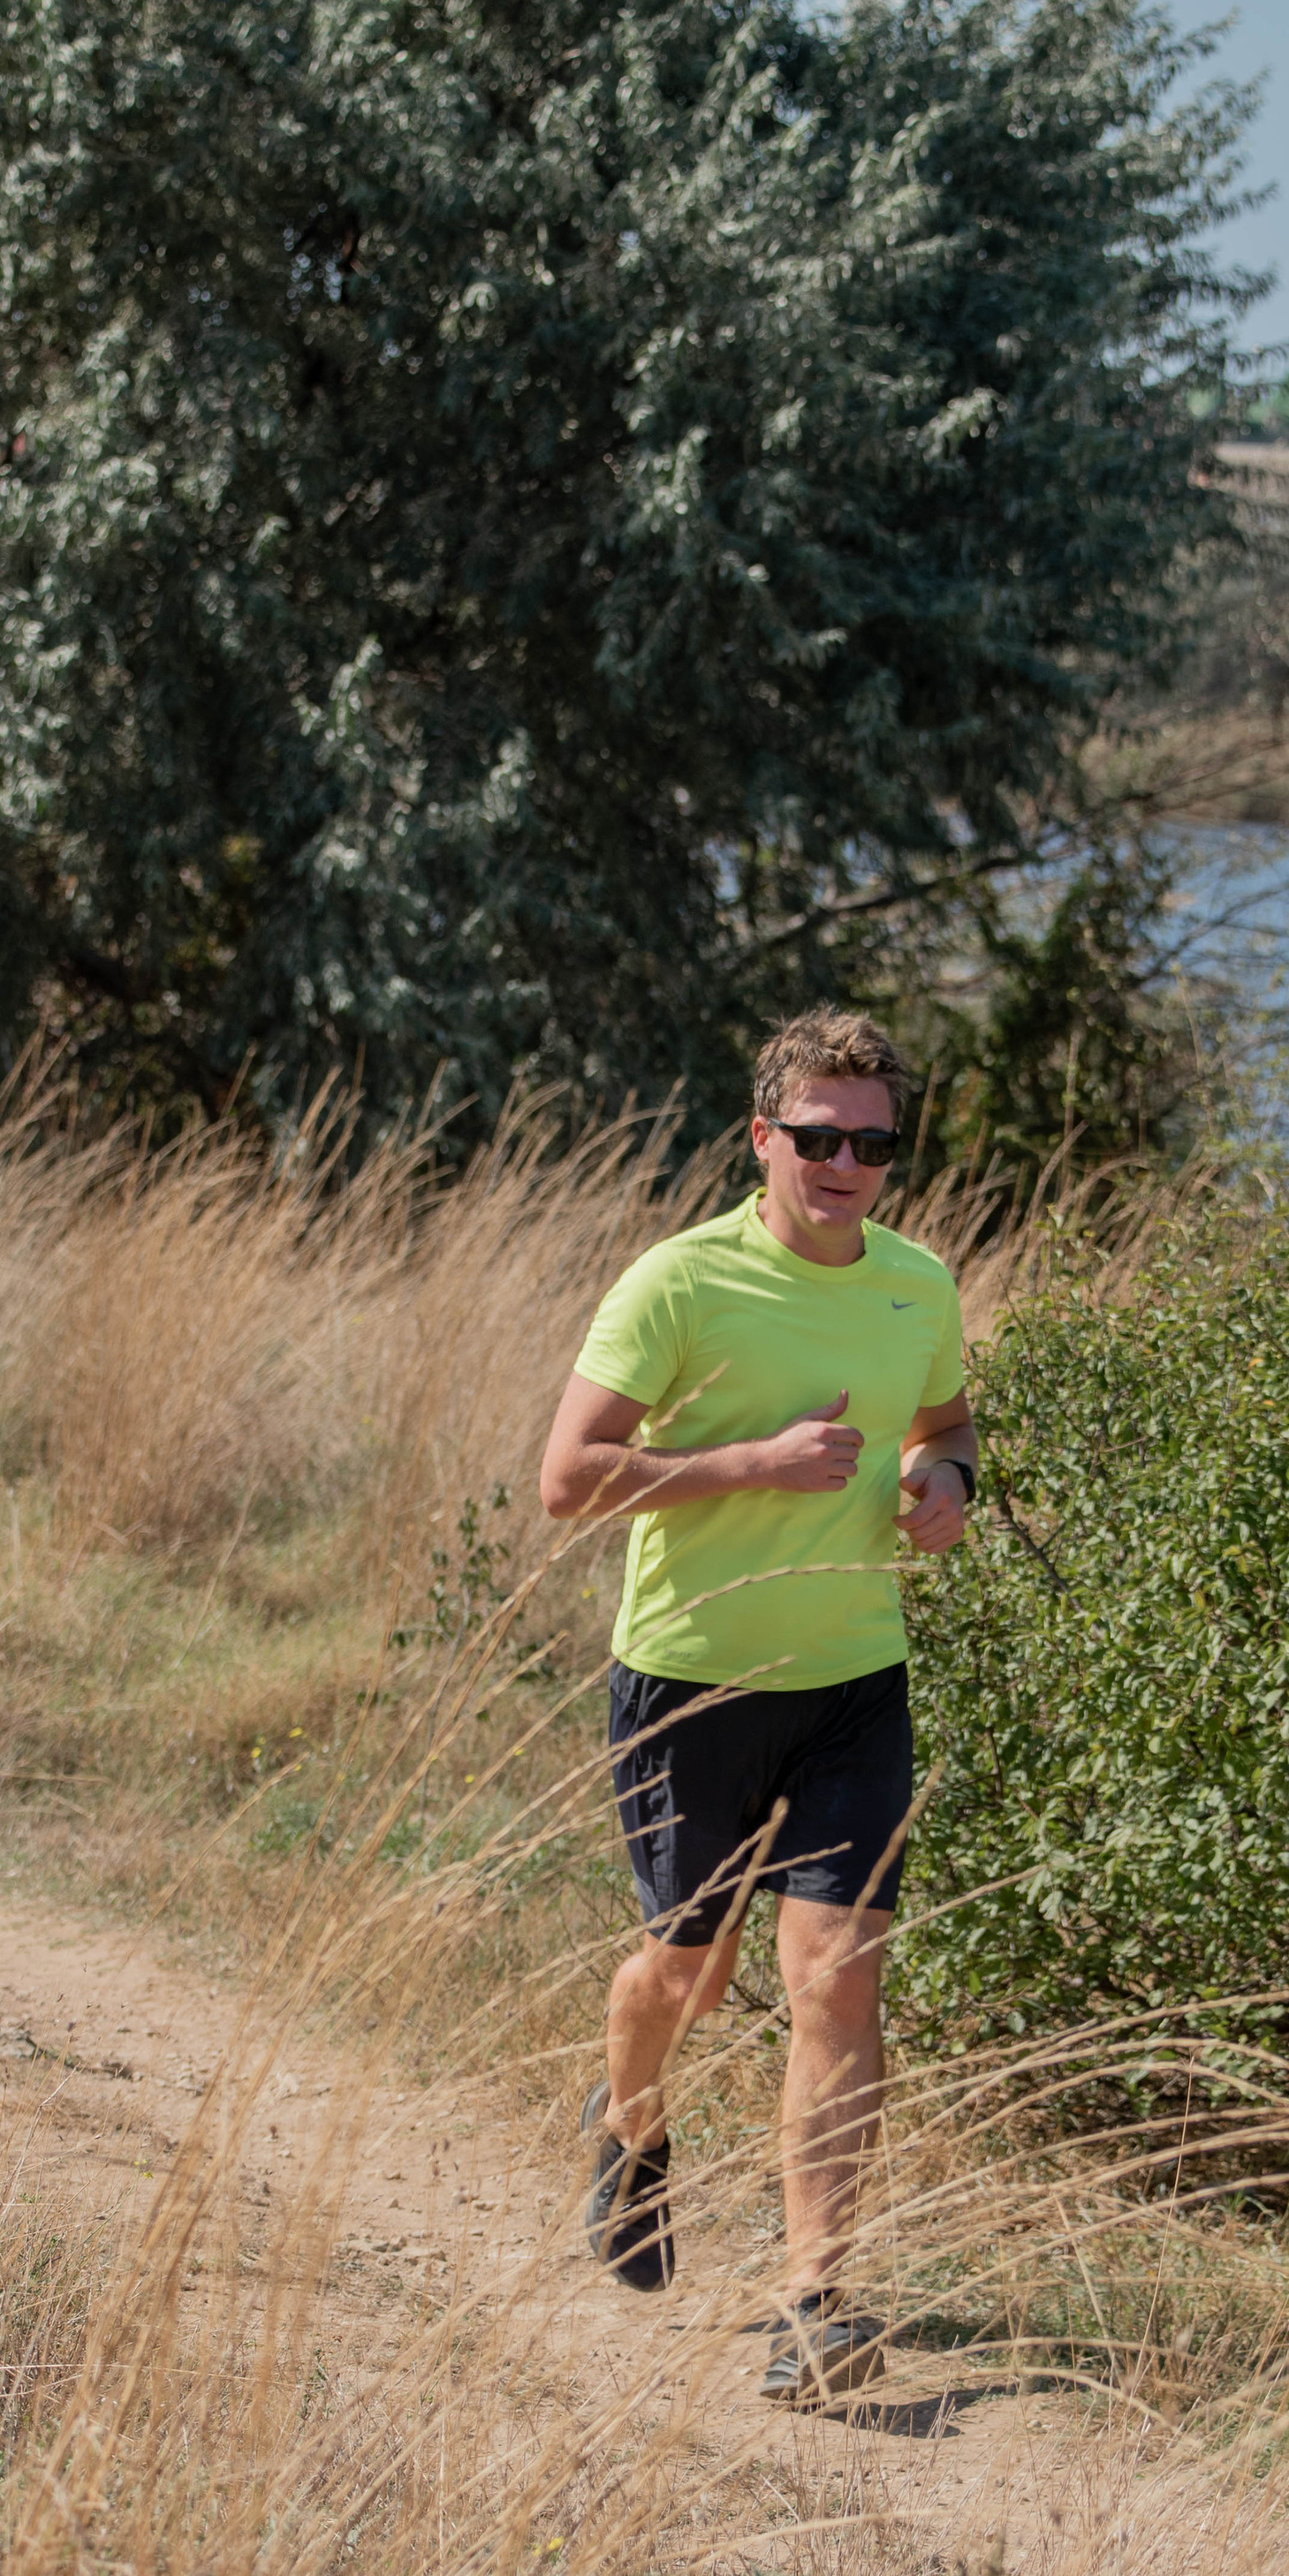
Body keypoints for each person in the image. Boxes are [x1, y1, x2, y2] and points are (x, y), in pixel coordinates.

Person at [537, 1006, 977, 2406]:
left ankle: (815, 2299)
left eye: (872, 1142)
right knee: (690, 1972)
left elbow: (946, 1425)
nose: (845, 1163)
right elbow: (568, 1478)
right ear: (762, 1139)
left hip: (855, 1676)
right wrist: (753, 1463)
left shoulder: (919, 1282)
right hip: (690, 1677)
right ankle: (630, 2124)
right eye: (818, 1138)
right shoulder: (677, 1285)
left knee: (838, 1978)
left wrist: (945, 1486)